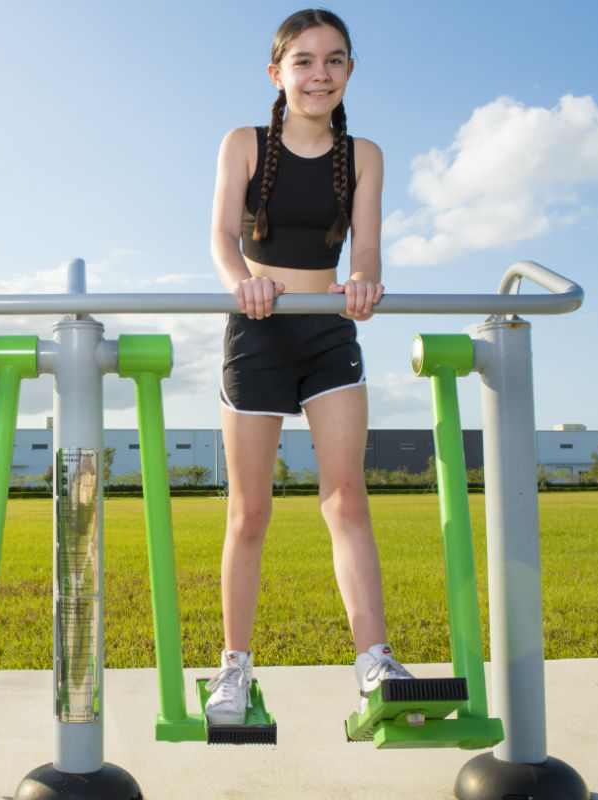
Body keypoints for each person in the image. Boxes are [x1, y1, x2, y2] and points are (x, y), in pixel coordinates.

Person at [204, 9, 412, 725]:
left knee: (346, 496)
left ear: (349, 72)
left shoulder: (366, 155)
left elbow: (369, 248)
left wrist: (363, 281)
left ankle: (374, 663)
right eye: (303, 61)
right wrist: (244, 282)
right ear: (278, 72)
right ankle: (232, 669)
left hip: (326, 327)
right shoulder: (243, 144)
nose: (318, 73)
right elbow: (222, 238)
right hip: (257, 327)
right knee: (250, 511)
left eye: (334, 61)